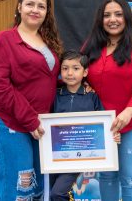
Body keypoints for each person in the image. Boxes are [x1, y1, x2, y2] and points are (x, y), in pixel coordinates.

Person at [0, 0, 62, 201]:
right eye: (30, 4)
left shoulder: (48, 41)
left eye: (41, 6)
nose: (35, 10)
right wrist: (30, 120)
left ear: (47, 12)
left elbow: (43, 81)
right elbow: (0, 85)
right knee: (20, 184)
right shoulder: (5, 40)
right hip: (12, 123)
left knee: (36, 186)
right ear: (19, 7)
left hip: (39, 127)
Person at [81, 0, 132, 201]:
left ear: (127, 17)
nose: (112, 19)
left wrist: (128, 112)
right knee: (106, 176)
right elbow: (78, 73)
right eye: (107, 15)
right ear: (100, 19)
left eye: (118, 14)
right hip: (100, 125)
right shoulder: (91, 46)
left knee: (131, 178)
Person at [49, 50, 120, 201]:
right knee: (53, 191)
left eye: (76, 68)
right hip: (55, 156)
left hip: (78, 156)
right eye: (65, 68)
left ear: (85, 72)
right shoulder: (55, 95)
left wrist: (113, 135)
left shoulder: (92, 96)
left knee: (57, 193)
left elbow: (103, 124)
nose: (69, 73)